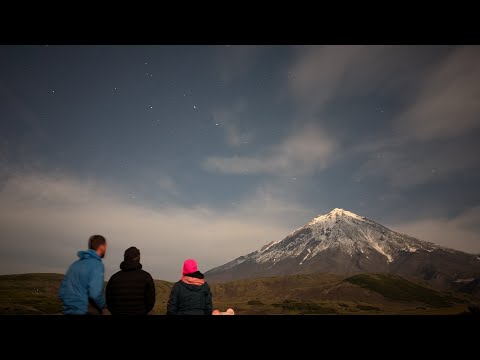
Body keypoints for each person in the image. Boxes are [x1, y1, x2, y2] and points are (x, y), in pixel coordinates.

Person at [58, 235, 107, 315]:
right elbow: (95, 294)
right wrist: (104, 305)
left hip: (68, 311)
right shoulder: (97, 265)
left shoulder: (74, 265)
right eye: (105, 246)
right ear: (101, 247)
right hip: (84, 310)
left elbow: (62, 292)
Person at [106, 246, 156, 315]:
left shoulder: (114, 278)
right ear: (138, 258)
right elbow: (150, 302)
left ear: (124, 258)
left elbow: (109, 302)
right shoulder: (146, 277)